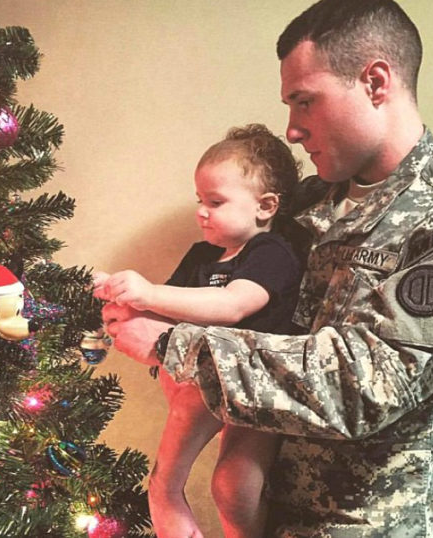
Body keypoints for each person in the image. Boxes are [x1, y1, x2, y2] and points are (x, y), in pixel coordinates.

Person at [102, 0, 433, 535]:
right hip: (257, 514)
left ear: (375, 82)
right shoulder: (299, 203)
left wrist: (173, 344)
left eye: (305, 102)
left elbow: (366, 385)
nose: (292, 130)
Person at [94, 124, 305, 538]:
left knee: (236, 487)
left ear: (265, 206)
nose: (201, 212)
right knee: (199, 412)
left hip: (257, 395)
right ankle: (168, 490)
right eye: (199, 200)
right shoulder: (201, 255)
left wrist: (148, 292)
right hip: (203, 387)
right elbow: (167, 313)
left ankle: (167, 488)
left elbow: (233, 305)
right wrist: (123, 296)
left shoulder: (272, 252)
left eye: (216, 201)